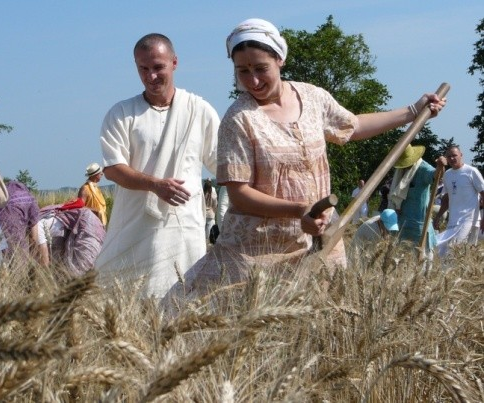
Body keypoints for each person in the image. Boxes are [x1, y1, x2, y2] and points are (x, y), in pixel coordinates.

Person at [164, 18, 446, 301]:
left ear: (280, 59)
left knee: (317, 329)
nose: (253, 81)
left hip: (320, 241)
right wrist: (300, 210)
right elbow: (239, 195)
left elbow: (354, 126)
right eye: (243, 71)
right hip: (257, 252)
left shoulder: (312, 98)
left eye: (261, 68)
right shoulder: (238, 120)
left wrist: (412, 110)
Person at [95, 33, 219, 298]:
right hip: (135, 225)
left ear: (174, 63)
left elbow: (224, 164)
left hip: (183, 227)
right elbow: (113, 167)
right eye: (143, 68)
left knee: (182, 299)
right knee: (124, 300)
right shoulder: (122, 114)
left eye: (158, 67)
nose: (151, 76)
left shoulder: (199, 110)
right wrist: (155, 185)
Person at [388, 144, 445, 256]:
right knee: (401, 261)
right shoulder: (400, 171)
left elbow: (436, 175)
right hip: (403, 223)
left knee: (423, 261)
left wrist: (441, 166)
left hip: (420, 226)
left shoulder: (423, 168)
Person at [434, 146, 484, 256]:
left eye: (454, 155)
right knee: (443, 253)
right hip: (453, 220)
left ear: (461, 155)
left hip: (469, 220)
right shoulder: (447, 174)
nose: (452, 158)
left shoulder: (471, 171)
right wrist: (438, 216)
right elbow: (446, 199)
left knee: (456, 251)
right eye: (449, 156)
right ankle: (449, 273)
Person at [0, 180, 41, 263]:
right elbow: (34, 237)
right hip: (18, 248)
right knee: (18, 273)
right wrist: (34, 260)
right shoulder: (30, 199)